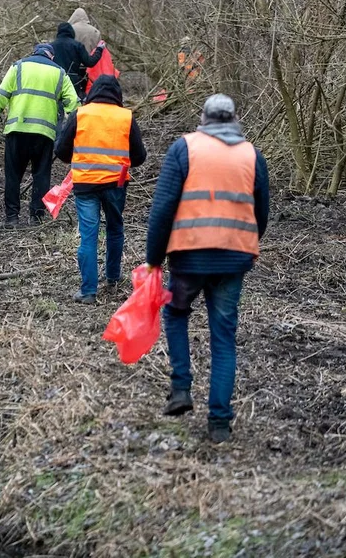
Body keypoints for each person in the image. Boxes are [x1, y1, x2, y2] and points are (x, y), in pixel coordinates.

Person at [145, 94, 269, 444]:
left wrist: (154, 259)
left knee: (177, 313)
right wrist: (246, 243)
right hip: (233, 260)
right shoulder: (252, 154)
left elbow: (163, 208)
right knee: (224, 339)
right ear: (234, 119)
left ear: (203, 118)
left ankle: (181, 388)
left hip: (189, 257)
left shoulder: (185, 149)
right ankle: (219, 424)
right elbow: (262, 212)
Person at [54, 75, 146, 304]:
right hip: (116, 184)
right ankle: (113, 277)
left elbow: (62, 151)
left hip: (85, 185)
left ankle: (88, 291)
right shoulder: (126, 117)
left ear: (93, 92)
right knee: (115, 229)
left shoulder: (80, 113)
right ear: (117, 94)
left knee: (88, 236)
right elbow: (140, 156)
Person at [0, 43, 79, 228]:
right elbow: (73, 105)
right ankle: (36, 217)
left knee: (13, 175)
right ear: (51, 56)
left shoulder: (18, 67)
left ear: (34, 52)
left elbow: (0, 96)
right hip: (44, 134)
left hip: (17, 130)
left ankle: (12, 218)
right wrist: (74, 131)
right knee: (41, 175)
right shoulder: (59, 73)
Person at [50, 20, 104, 100]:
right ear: (72, 32)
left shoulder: (51, 46)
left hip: (54, 80)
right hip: (73, 81)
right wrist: (99, 49)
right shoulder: (77, 46)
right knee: (73, 106)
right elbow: (90, 62)